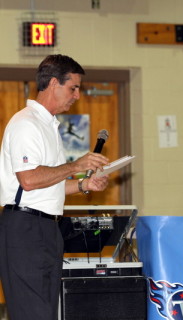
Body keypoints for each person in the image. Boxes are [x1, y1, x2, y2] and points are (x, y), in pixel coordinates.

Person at [0, 54, 110, 320]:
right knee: (33, 313)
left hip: (47, 227)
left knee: (47, 312)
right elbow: (29, 180)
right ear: (53, 83)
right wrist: (75, 166)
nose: (77, 95)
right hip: (26, 228)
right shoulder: (27, 123)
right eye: (73, 87)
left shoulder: (49, 126)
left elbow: (48, 185)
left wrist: (84, 184)